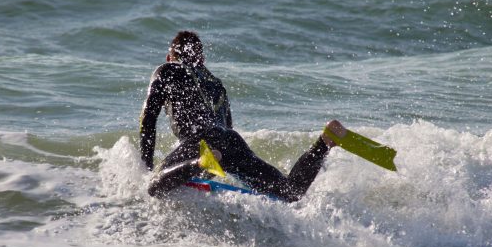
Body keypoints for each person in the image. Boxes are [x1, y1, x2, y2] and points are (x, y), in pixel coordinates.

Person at [139, 31, 347, 203]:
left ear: (170, 57)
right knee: (289, 191)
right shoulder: (216, 83)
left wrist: (146, 167)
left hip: (200, 142)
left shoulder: (166, 70)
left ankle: (200, 162)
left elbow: (148, 121)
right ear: (201, 59)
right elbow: (225, 128)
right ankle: (324, 142)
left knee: (154, 186)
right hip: (231, 140)